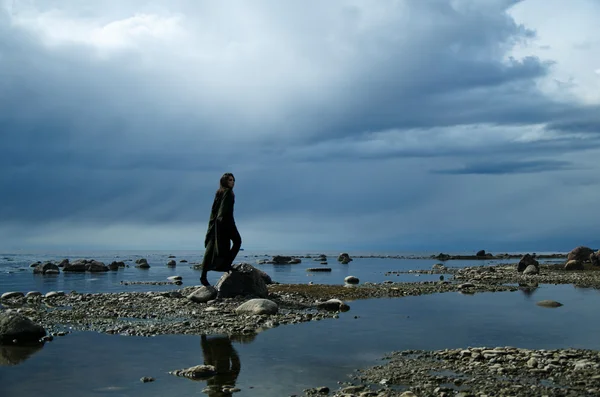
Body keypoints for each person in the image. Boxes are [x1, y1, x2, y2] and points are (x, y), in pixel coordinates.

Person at [200, 172, 242, 286]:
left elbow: (214, 210)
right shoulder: (227, 192)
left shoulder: (219, 192)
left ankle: (203, 275)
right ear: (224, 181)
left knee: (211, 247)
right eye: (230, 180)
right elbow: (223, 210)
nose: (232, 182)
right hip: (225, 222)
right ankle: (226, 265)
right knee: (237, 241)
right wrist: (224, 224)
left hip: (216, 223)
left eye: (233, 180)